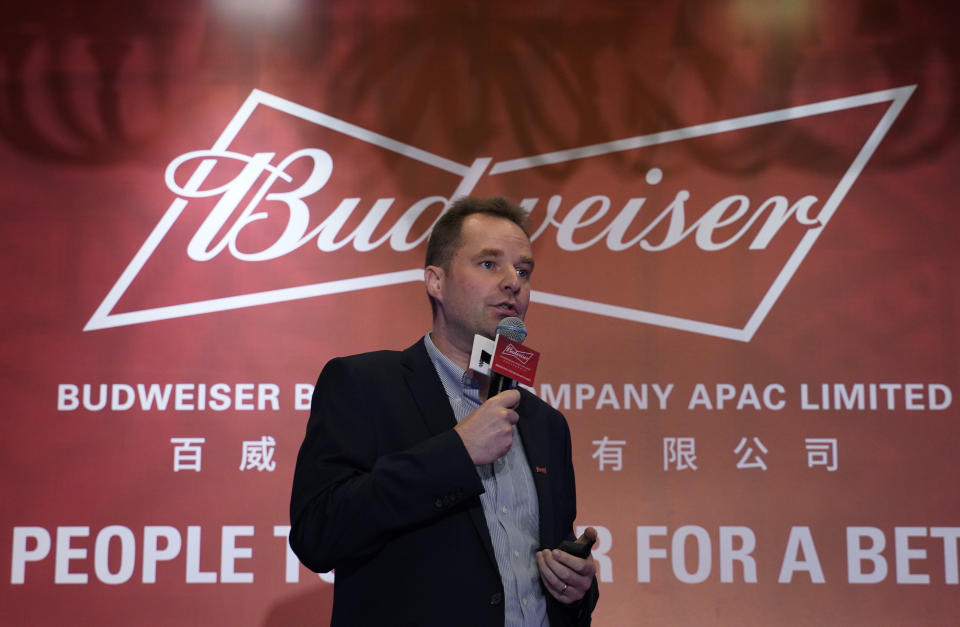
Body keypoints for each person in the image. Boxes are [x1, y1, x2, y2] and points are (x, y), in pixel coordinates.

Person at [290, 196, 599, 626]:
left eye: (523, 270)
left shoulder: (544, 423)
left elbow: (541, 567)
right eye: (489, 264)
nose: (513, 282)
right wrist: (455, 452)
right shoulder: (364, 385)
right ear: (436, 281)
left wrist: (577, 587)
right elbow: (317, 535)